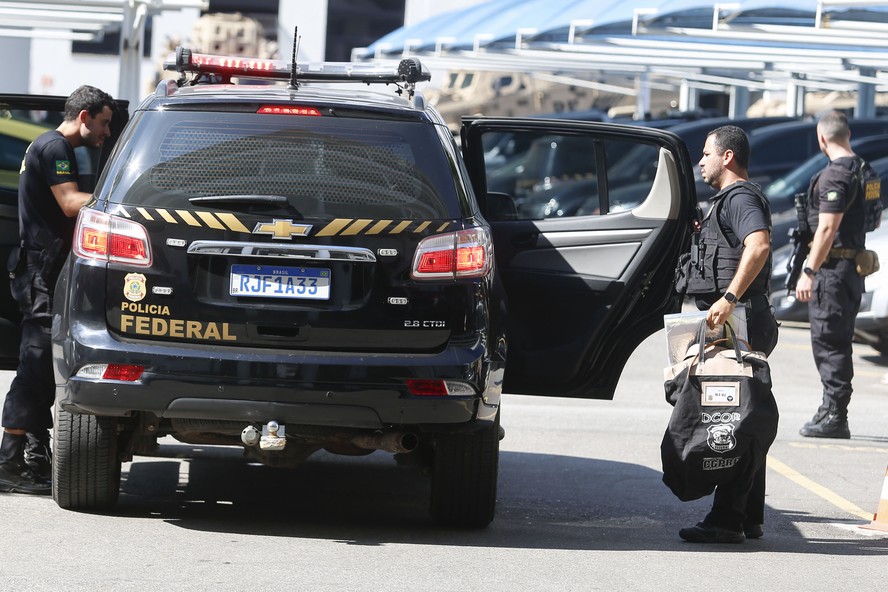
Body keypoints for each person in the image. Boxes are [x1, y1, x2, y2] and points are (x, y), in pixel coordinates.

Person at [0, 85, 115, 494]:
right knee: (34, 365)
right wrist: (116, 199)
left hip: (42, 270)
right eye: (103, 123)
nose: (104, 134)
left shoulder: (48, 145)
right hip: (39, 273)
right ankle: (9, 462)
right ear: (84, 116)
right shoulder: (54, 149)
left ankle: (32, 457)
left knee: (43, 366)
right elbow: (69, 203)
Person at [681, 125, 779, 543]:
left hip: (741, 323)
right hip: (741, 320)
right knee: (744, 415)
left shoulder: (740, 198)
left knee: (732, 417)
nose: (700, 161)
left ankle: (726, 520)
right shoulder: (724, 201)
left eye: (706, 154)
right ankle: (747, 516)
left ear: (727, 157)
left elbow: (758, 245)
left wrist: (729, 298)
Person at [795, 110, 868, 439]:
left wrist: (809, 270)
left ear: (822, 139)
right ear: (847, 135)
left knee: (829, 341)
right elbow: (873, 220)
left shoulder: (835, 175)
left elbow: (827, 227)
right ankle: (831, 408)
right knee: (837, 340)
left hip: (833, 271)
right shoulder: (867, 172)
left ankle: (835, 415)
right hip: (851, 269)